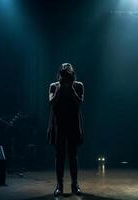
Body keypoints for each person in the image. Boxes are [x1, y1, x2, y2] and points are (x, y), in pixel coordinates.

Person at [47, 63, 84, 196]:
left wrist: (71, 89)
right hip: (59, 125)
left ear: (72, 75)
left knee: (73, 156)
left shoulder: (78, 85)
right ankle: (59, 185)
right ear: (60, 76)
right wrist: (60, 88)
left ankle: (75, 184)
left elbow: (79, 103)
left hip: (73, 124)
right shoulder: (53, 86)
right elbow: (52, 103)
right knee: (59, 156)